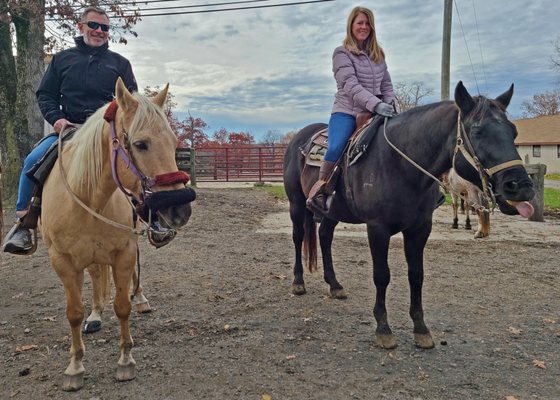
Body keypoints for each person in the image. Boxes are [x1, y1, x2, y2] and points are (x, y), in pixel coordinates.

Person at [2, 6, 138, 254]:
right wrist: (57, 120)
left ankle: (154, 218)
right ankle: (24, 223)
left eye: (104, 28)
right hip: (70, 129)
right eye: (93, 25)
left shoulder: (121, 64)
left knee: (139, 162)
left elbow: (131, 102)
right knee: (33, 159)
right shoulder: (62, 60)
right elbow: (46, 95)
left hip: (108, 134)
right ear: (81, 26)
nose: (99, 31)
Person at [307, 6, 398, 213]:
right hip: (347, 111)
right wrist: (376, 104)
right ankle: (320, 192)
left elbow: (387, 85)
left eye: (367, 23)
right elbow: (350, 84)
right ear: (351, 26)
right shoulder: (341, 53)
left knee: (402, 140)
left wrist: (391, 105)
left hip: (378, 110)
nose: (363, 27)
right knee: (336, 146)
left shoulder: (378, 54)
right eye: (359, 23)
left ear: (372, 27)